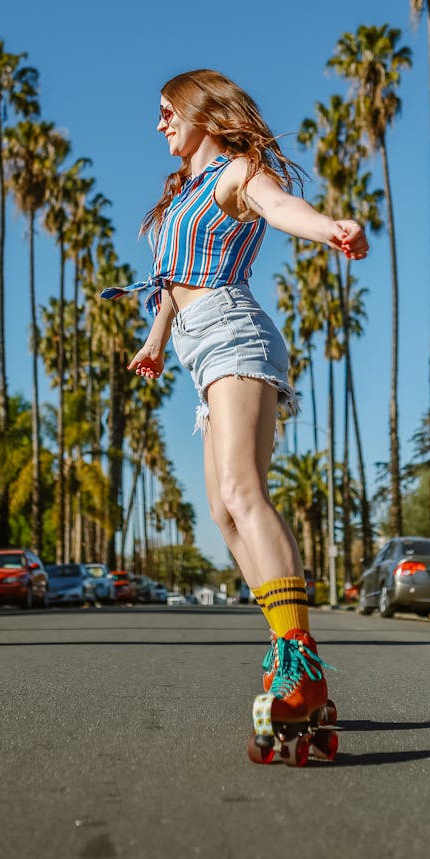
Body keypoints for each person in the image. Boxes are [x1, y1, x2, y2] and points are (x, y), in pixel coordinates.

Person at [101, 69, 368, 755]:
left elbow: (280, 208)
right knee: (222, 508)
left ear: (203, 114)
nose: (159, 124)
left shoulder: (236, 172)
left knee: (245, 493)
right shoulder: (184, 193)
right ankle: (289, 654)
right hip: (199, 347)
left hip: (234, 335)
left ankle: (298, 661)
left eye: (168, 112)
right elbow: (168, 281)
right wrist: (155, 341)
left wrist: (329, 228)